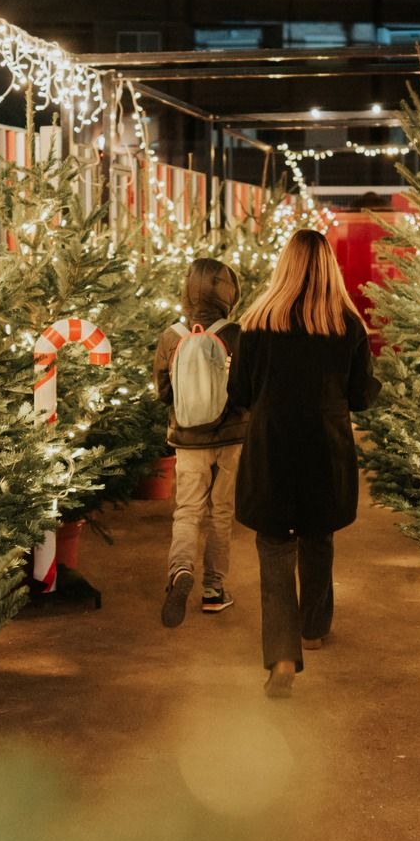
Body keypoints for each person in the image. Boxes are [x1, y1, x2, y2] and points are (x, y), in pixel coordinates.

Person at [227, 229, 379, 698]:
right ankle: (313, 629)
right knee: (318, 537)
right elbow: (360, 397)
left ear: (284, 267)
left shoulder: (255, 324)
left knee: (274, 547)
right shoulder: (347, 327)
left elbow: (239, 395)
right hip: (325, 448)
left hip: (271, 446)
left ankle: (282, 654)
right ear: (329, 268)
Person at [153, 258, 249, 626]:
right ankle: (213, 590)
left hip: (187, 437)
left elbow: (163, 392)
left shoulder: (172, 335)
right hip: (229, 438)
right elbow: (246, 390)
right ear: (229, 291)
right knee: (221, 513)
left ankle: (180, 572)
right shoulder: (235, 333)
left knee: (188, 511)